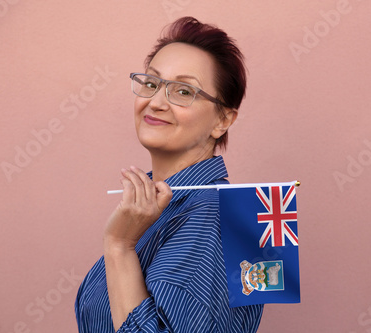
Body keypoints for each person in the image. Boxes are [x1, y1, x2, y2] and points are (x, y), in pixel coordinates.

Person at [75, 16, 264, 332]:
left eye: (183, 90)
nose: (156, 102)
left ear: (223, 119)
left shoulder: (211, 216)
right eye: (151, 83)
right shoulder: (161, 209)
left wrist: (119, 246)